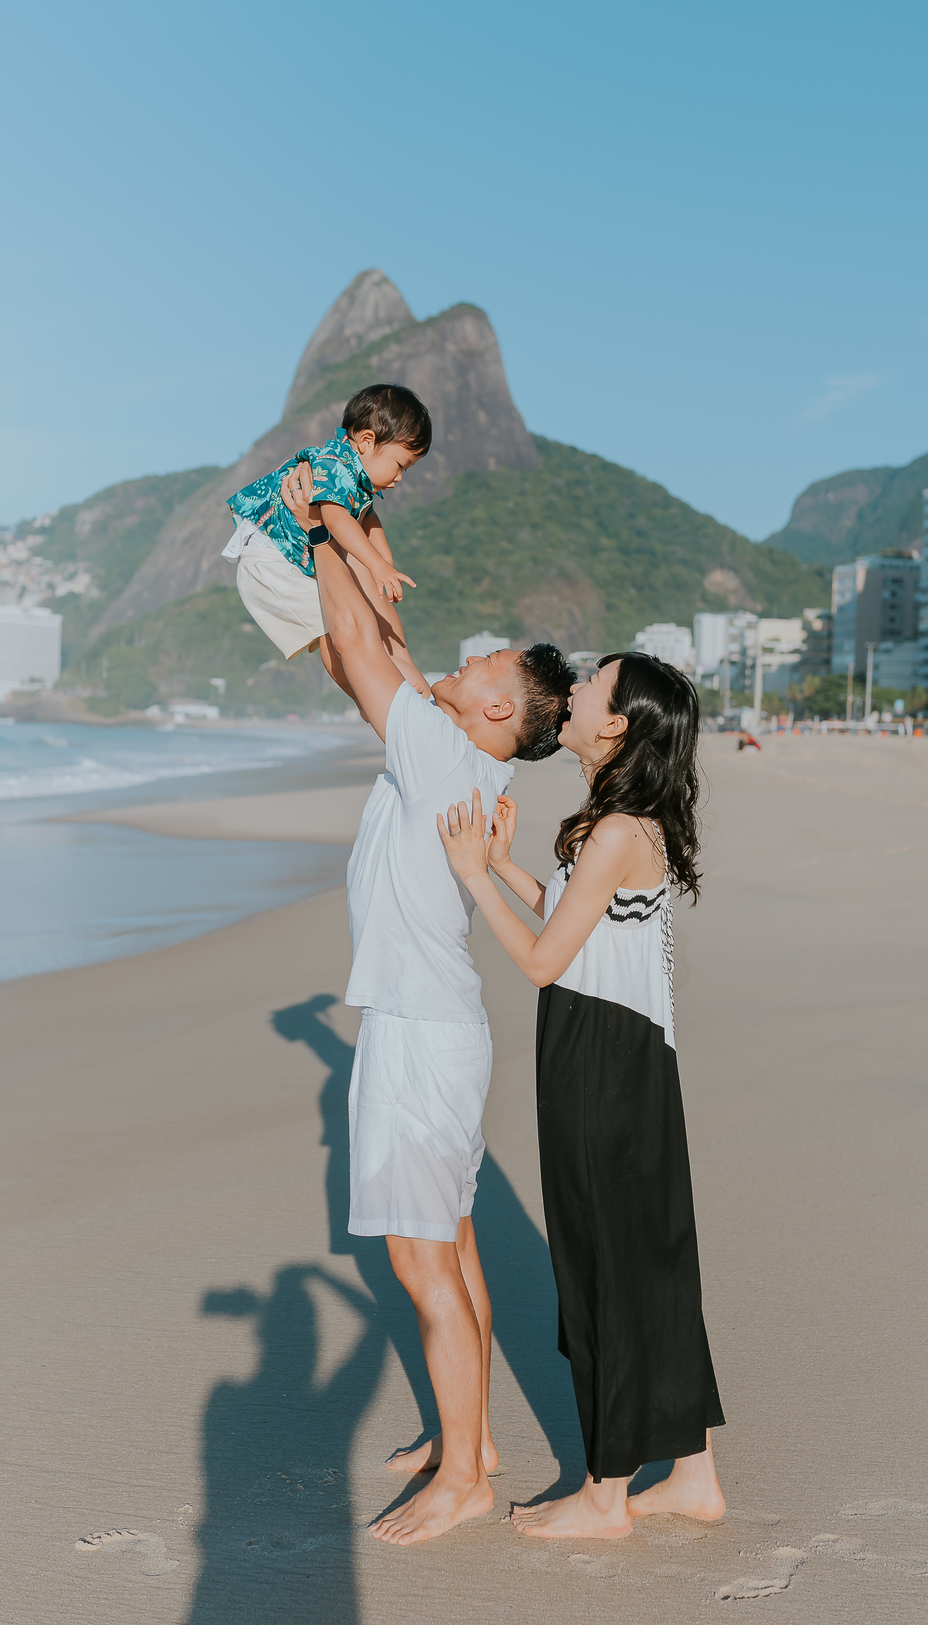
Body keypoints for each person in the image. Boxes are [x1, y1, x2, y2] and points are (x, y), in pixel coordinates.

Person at [277, 461, 573, 1546]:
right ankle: (476, 1442)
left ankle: (465, 1482)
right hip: (440, 1028)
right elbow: (392, 650)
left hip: (416, 1033)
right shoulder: (468, 760)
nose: (459, 657)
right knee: (452, 1243)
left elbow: (360, 655)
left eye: (480, 662)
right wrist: (359, 548)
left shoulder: (444, 751)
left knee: (419, 1261)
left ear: (497, 706)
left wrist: (310, 526)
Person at [436, 652, 726, 1539]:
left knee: (603, 1266)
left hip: (600, 1061)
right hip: (626, 1056)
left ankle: (606, 1495)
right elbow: (578, 922)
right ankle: (693, 1479)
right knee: (650, 1264)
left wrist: (473, 876)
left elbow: (540, 963)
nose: (576, 691)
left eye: (595, 684)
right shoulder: (622, 824)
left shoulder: (612, 833)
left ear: (618, 727)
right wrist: (509, 865)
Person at [221, 384, 431, 700]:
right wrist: (376, 566)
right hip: (273, 562)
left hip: (293, 559)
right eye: (400, 465)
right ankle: (362, 694)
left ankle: (385, 691)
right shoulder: (334, 465)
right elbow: (335, 518)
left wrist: (384, 562)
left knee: (350, 627)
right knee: (332, 633)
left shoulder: (356, 472)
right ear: (367, 441)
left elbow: (368, 517)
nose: (400, 477)